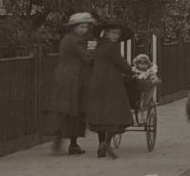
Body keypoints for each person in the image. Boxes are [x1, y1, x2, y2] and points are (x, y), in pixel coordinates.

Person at [44, 12, 96, 155]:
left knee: (69, 109)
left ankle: (67, 140)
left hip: (66, 76)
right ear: (73, 27)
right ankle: (68, 141)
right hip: (72, 78)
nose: (84, 30)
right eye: (81, 27)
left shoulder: (71, 38)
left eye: (86, 27)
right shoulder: (74, 40)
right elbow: (86, 57)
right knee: (74, 109)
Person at [86, 19, 135, 159]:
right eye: (113, 33)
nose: (116, 36)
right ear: (106, 33)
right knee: (116, 112)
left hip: (96, 82)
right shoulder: (112, 46)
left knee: (101, 114)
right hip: (111, 83)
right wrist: (131, 71)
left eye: (118, 34)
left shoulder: (99, 46)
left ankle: (101, 143)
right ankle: (106, 143)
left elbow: (92, 61)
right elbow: (120, 63)